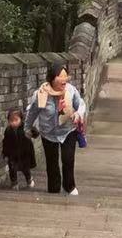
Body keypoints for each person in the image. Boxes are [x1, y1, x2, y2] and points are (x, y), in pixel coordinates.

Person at [24, 62, 86, 196]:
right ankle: (54, 187)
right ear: (52, 78)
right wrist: (27, 128)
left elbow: (81, 104)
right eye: (60, 77)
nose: (64, 80)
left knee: (68, 159)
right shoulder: (40, 94)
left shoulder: (70, 90)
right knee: (51, 162)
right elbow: (32, 112)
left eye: (65, 77)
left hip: (68, 130)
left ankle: (69, 186)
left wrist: (78, 113)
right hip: (48, 132)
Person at [1, 108, 35, 189]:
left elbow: (35, 133)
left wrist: (33, 132)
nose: (13, 122)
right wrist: (4, 153)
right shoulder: (8, 130)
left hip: (25, 153)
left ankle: (29, 179)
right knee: (12, 168)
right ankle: (14, 183)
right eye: (11, 120)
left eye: (16, 120)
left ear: (21, 119)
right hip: (13, 154)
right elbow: (5, 142)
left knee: (25, 168)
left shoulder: (25, 127)